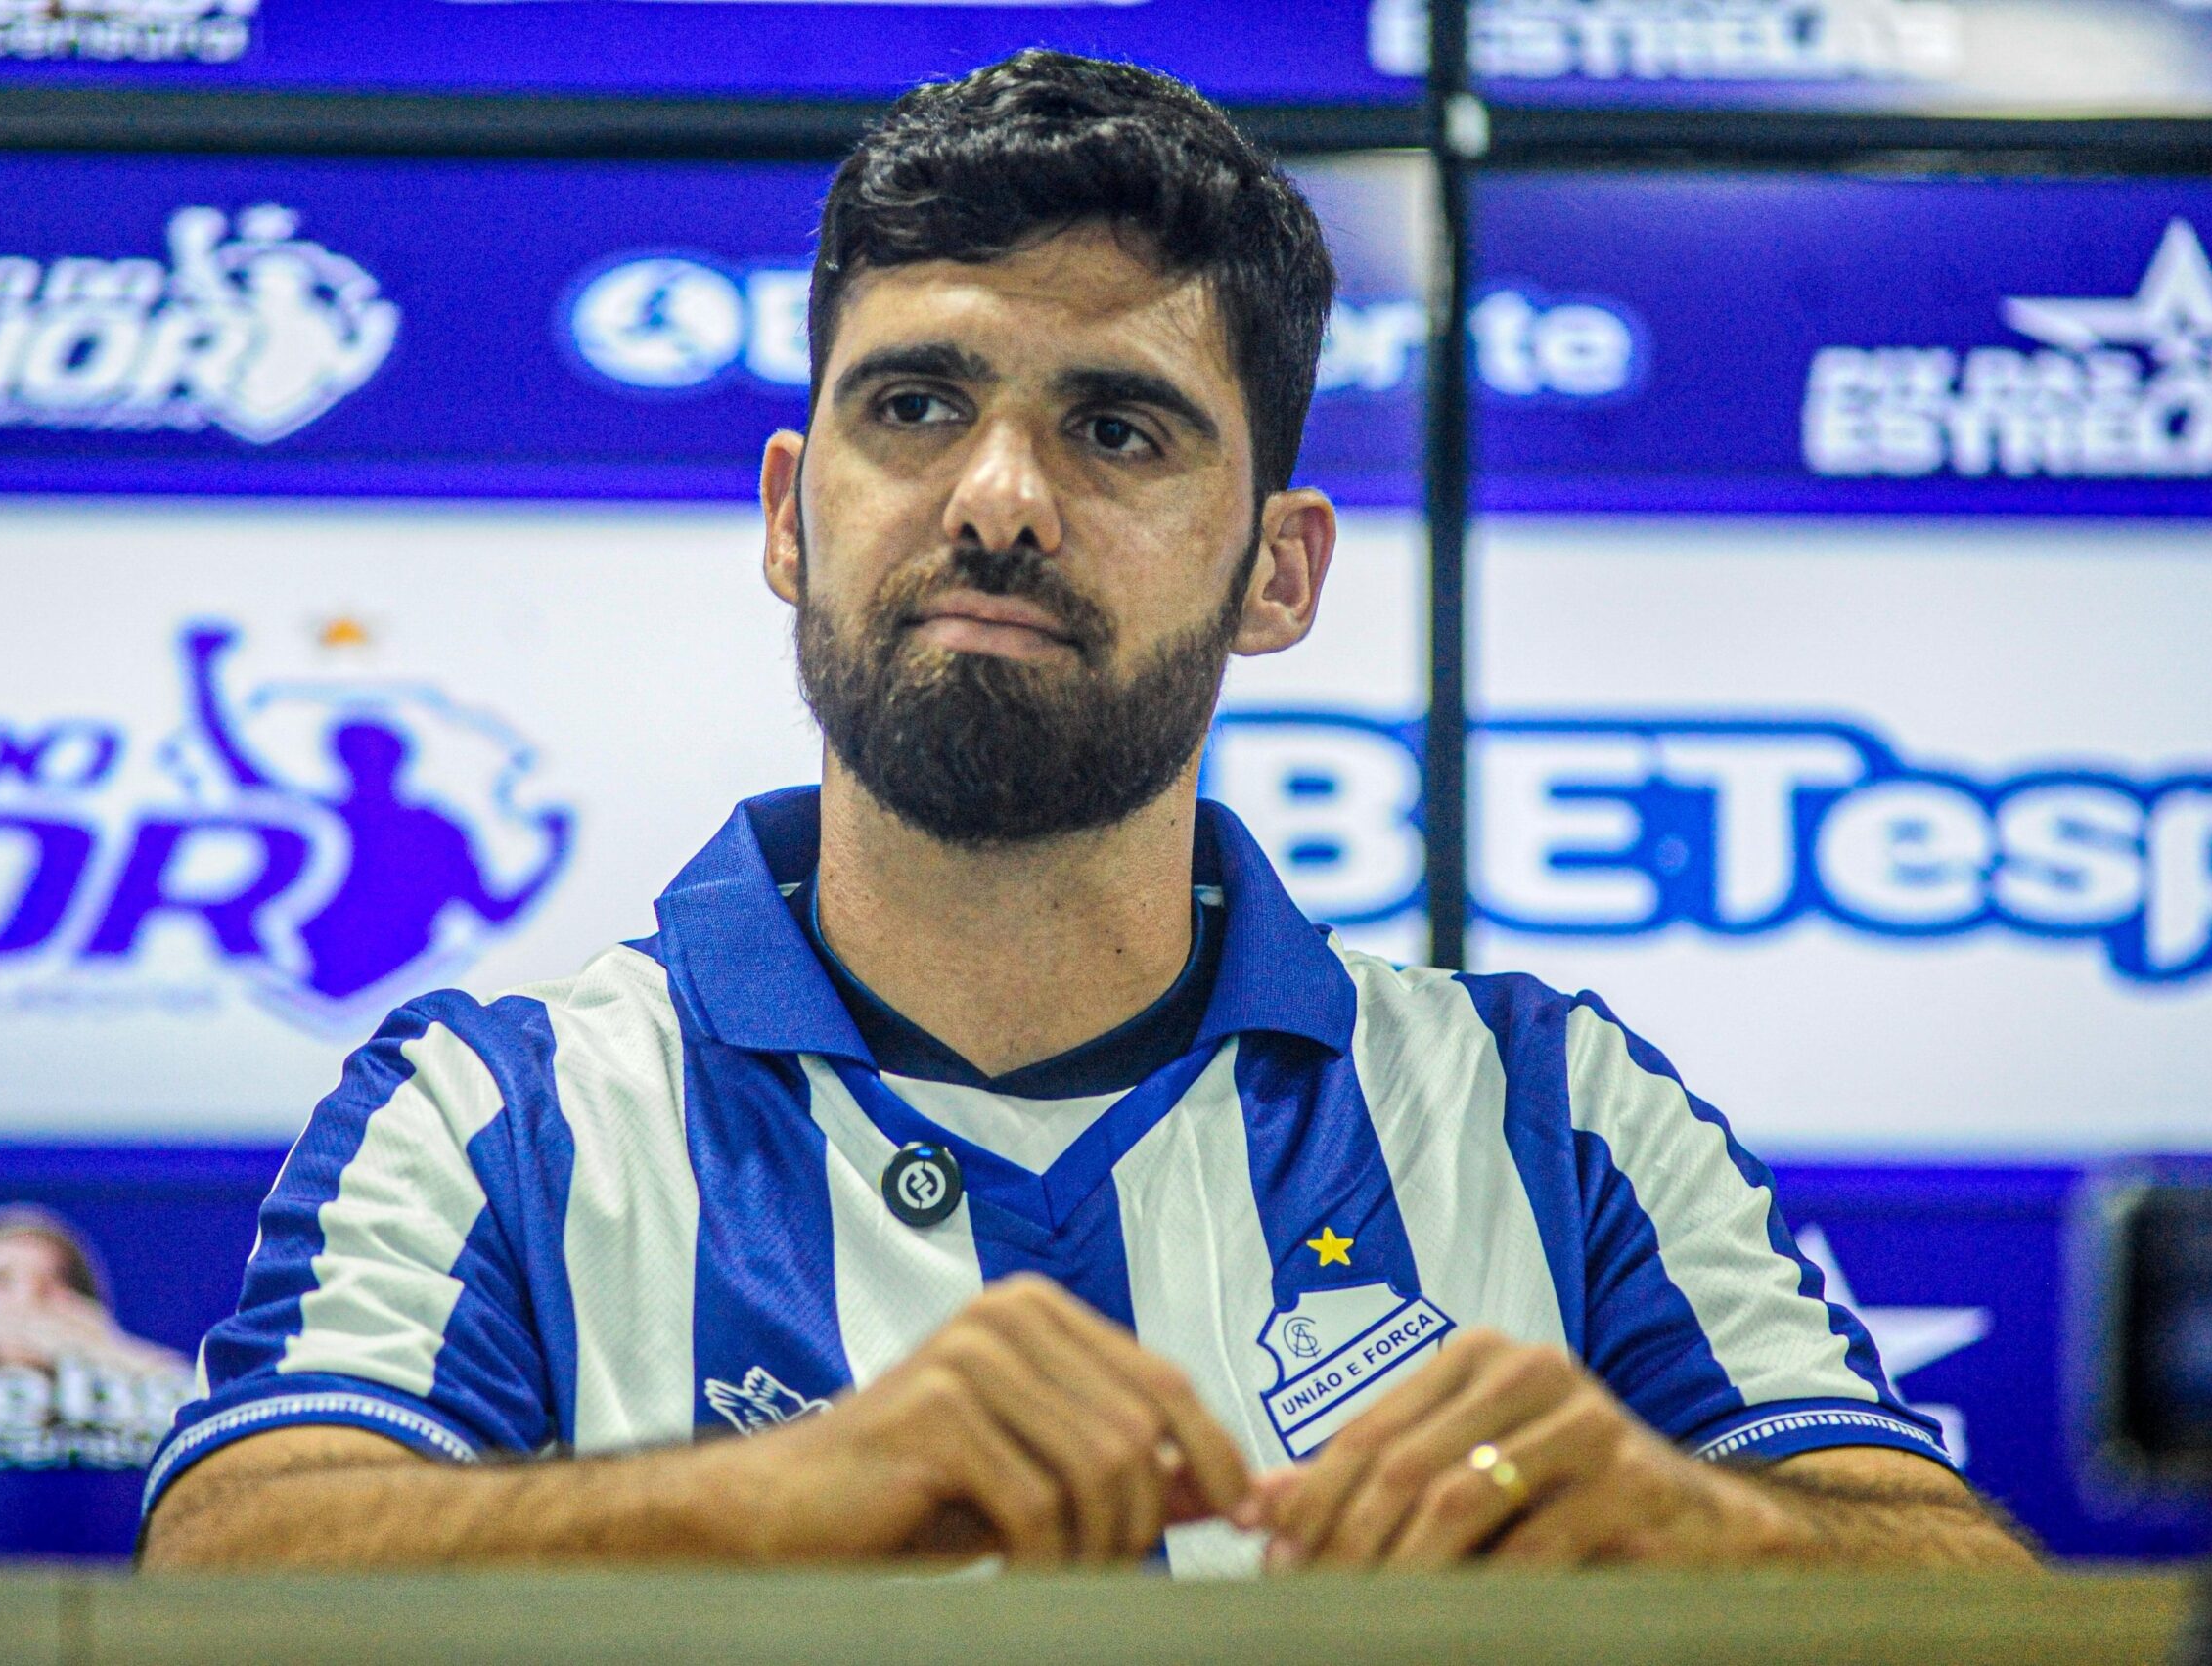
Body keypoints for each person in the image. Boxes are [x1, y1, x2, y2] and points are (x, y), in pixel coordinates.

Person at [138, 51, 2035, 1575]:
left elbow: (1988, 1607)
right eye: (912, 406)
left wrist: (1702, 1528)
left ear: (1278, 572)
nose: (996, 498)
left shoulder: (1550, 1109)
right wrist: (762, 1504)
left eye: (1115, 428)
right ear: (789, 514)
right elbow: (220, 1570)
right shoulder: (497, 1111)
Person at [0, 1204, 186, 1379]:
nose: (26, 1299)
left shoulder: (113, 1404)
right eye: (1, 1279)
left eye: (50, 1281)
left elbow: (196, 1409)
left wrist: (107, 1351)